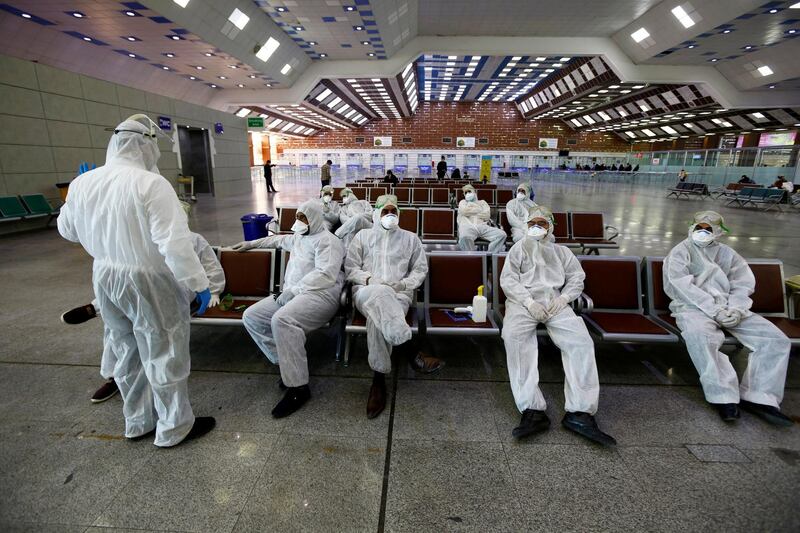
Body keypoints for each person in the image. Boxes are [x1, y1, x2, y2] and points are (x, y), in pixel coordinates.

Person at [57, 115, 216, 447]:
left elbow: (67, 231)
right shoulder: (150, 184)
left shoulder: (83, 183)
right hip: (149, 279)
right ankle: (174, 427)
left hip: (104, 275)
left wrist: (77, 197)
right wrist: (199, 282)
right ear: (146, 145)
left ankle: (138, 422)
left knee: (125, 351)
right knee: (164, 350)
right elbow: (173, 243)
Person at [62, 231, 227, 403]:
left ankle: (96, 307)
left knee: (130, 314)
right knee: (115, 326)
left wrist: (214, 290)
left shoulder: (193, 239)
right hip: (143, 289)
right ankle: (115, 376)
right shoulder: (140, 238)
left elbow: (211, 266)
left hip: (181, 289)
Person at [663, 211, 792, 426]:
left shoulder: (729, 255)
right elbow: (681, 287)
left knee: (775, 340)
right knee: (702, 339)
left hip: (731, 308)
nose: (702, 233)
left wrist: (737, 309)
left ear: (719, 233)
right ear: (691, 228)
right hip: (692, 308)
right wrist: (714, 310)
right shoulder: (680, 253)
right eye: (699, 228)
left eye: (708, 229)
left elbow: (742, 285)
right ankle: (723, 396)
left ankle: (760, 396)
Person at [500, 206, 615, 445]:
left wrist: (564, 298)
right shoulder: (518, 249)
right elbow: (508, 280)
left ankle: (580, 412)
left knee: (580, 342)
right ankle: (531, 409)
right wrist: (529, 302)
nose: (536, 228)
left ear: (550, 227)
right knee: (514, 337)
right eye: (533, 223)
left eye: (542, 224)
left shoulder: (562, 252)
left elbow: (576, 277)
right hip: (523, 303)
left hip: (555, 303)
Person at [233, 200, 345, 418]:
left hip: (322, 295)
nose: (298, 221)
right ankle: (288, 363)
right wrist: (251, 244)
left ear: (313, 218)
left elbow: (326, 275)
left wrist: (294, 290)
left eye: (303, 217)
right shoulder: (298, 238)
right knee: (252, 316)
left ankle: (298, 388)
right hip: (293, 293)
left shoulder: (328, 241)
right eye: (297, 216)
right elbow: (275, 240)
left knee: (281, 320)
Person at [345, 195, 442, 418]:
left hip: (399, 293)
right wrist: (370, 280)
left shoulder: (410, 239)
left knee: (377, 318)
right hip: (366, 291)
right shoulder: (363, 236)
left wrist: (404, 284)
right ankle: (410, 351)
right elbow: (350, 268)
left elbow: (419, 269)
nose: (390, 215)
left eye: (394, 211)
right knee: (379, 296)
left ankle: (378, 381)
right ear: (376, 213)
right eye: (385, 211)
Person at [457, 184, 507, 253]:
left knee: (501, 235)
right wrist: (479, 209)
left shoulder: (482, 202)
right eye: (466, 192)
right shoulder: (462, 202)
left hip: (482, 226)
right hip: (467, 226)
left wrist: (471, 210)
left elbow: (486, 216)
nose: (468, 194)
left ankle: (490, 255)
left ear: (474, 192)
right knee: (464, 237)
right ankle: (471, 257)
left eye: (469, 191)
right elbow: (464, 211)